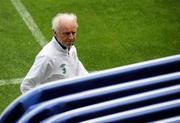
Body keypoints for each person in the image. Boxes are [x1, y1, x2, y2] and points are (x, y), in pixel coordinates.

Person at [20, 13, 88, 93]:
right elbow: (26, 86)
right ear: (55, 32)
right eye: (66, 33)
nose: (71, 37)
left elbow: (78, 69)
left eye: (73, 33)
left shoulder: (71, 47)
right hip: (58, 103)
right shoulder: (47, 57)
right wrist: (44, 104)